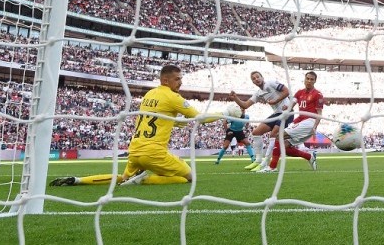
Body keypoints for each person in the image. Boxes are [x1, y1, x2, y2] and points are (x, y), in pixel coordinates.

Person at [49, 65, 224, 186]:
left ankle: (79, 180)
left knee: (123, 178)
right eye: (177, 79)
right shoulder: (173, 97)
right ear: (165, 80)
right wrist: (225, 114)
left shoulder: (148, 95)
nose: (181, 82)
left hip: (134, 150)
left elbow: (161, 119)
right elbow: (201, 118)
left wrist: (179, 123)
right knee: (188, 178)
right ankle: (144, 180)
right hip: (154, 152)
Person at [257, 71, 321, 173]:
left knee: (279, 136)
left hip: (309, 122)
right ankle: (309, 156)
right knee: (284, 148)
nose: (309, 81)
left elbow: (319, 113)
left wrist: (315, 126)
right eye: (307, 78)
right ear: (304, 79)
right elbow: (291, 106)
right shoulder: (299, 93)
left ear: (315, 81)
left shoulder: (318, 94)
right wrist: (287, 108)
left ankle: (272, 167)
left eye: (311, 79)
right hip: (300, 121)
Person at [229, 71, 293, 172]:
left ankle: (265, 163)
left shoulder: (271, 83)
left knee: (273, 134)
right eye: (253, 79)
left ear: (262, 77)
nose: (256, 79)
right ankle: (258, 160)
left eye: (257, 77)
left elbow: (287, 91)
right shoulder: (258, 93)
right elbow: (245, 105)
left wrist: (276, 101)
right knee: (256, 132)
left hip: (287, 113)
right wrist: (235, 98)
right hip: (277, 114)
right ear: (253, 82)